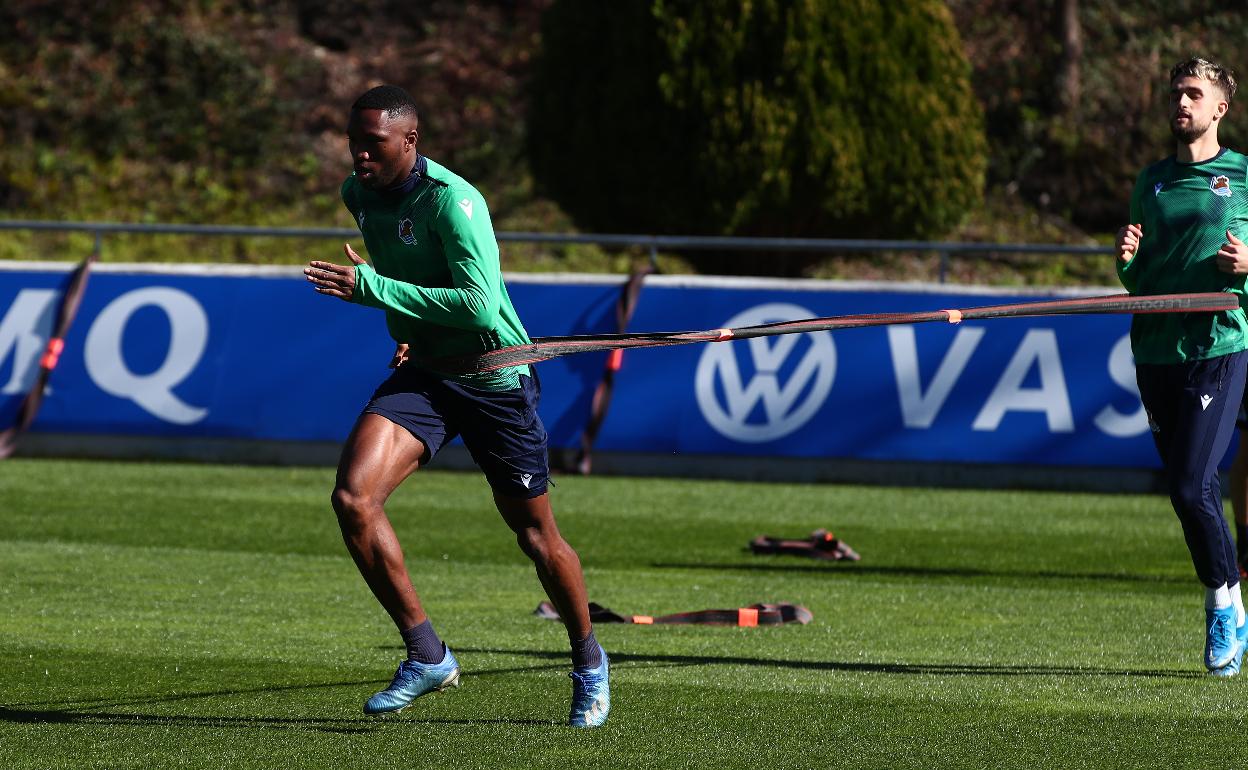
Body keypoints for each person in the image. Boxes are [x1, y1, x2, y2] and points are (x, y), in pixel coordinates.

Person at [303, 85, 609, 726]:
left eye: (373, 144)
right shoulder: (357, 195)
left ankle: (589, 662)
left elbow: (476, 303)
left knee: (535, 537)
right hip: (428, 375)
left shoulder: (456, 202)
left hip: (493, 378)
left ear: (409, 141)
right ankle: (427, 655)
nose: (358, 156)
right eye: (353, 142)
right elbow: (407, 270)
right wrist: (404, 324)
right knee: (354, 499)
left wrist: (373, 289)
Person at [1117, 57, 1248, 677]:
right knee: (1186, 492)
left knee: (1189, 484)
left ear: (1220, 108)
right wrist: (1126, 263)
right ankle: (1226, 593)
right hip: (1154, 352)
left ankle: (1224, 601)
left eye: (1194, 94)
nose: (1182, 103)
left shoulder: (1244, 176)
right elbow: (1139, 281)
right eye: (1176, 94)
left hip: (1216, 345)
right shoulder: (1153, 180)